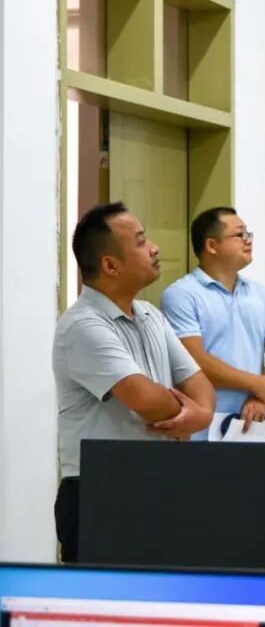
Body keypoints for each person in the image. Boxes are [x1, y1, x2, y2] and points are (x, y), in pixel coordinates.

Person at [53, 202, 215, 563]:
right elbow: (146, 401)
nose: (154, 248)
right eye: (141, 242)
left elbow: (201, 385)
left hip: (158, 482)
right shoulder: (83, 325)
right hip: (100, 491)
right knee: (104, 598)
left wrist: (202, 414)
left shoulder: (151, 315)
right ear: (110, 265)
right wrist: (193, 413)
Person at [161, 207, 265, 441]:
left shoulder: (260, 294)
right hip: (203, 427)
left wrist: (260, 396)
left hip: (252, 423)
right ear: (212, 245)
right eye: (240, 234)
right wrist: (257, 384)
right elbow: (193, 360)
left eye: (248, 234)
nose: (248, 240)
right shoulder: (181, 294)